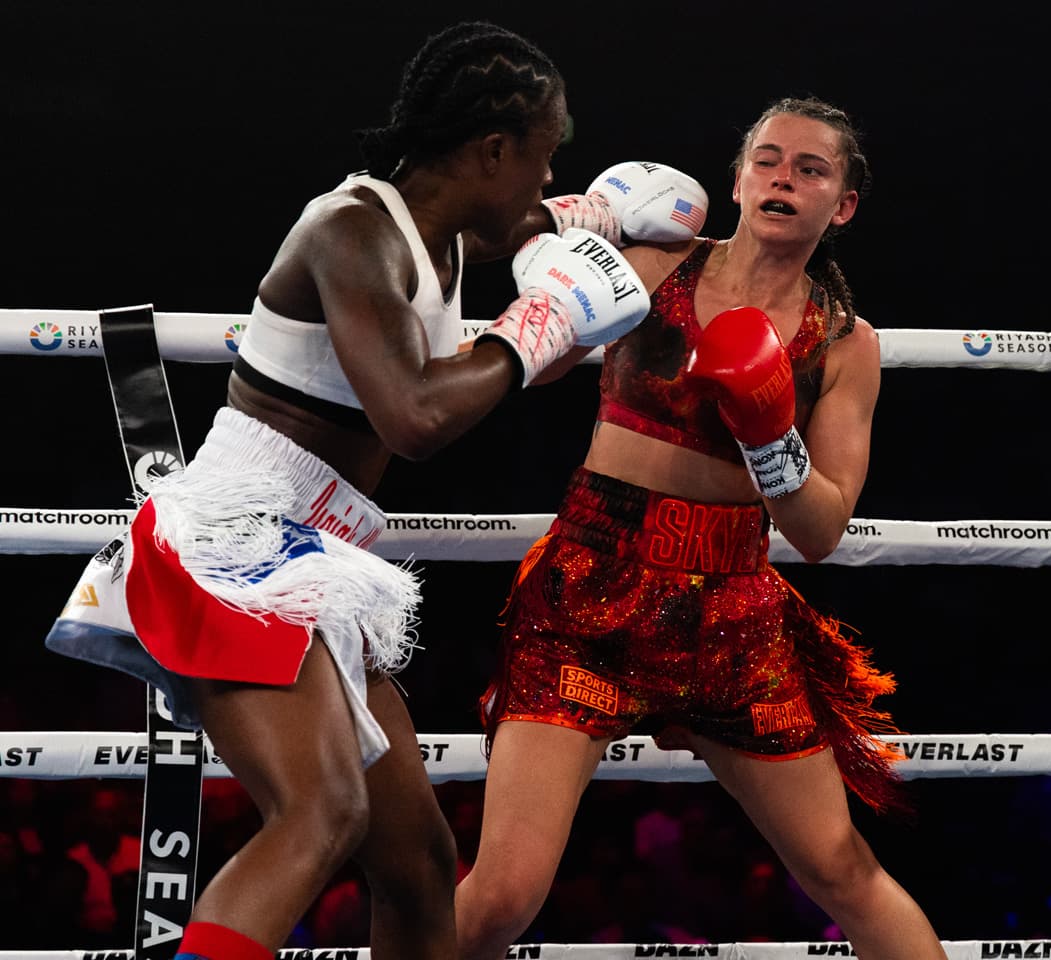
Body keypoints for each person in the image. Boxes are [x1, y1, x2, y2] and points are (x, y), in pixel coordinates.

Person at [41, 20, 701, 960]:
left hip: (316, 561)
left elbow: (521, 346)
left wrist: (586, 238)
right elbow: (419, 417)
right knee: (321, 816)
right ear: (492, 149)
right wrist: (540, 320)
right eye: (544, 157)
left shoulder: (448, 237)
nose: (543, 179)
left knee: (420, 868)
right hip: (239, 541)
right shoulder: (351, 232)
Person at [455, 96, 948, 960]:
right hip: (587, 591)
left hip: (730, 614)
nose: (782, 178)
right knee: (501, 894)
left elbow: (824, 527)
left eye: (810, 168)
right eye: (766, 159)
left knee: (842, 870)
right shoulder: (652, 265)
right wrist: (553, 257)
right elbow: (535, 367)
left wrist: (772, 435)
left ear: (844, 206)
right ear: (736, 178)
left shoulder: (842, 342)